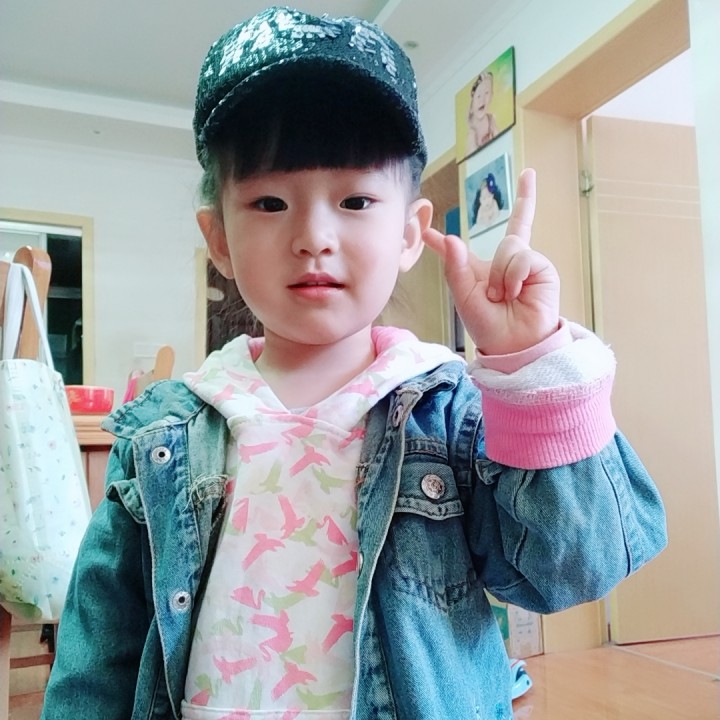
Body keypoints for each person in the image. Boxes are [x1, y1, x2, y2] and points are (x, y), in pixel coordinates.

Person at [41, 7, 666, 720]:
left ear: (409, 234)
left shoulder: (449, 414)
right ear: (218, 240)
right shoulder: (162, 433)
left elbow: (571, 570)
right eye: (269, 202)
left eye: (355, 200)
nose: (314, 236)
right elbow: (97, 656)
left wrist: (532, 362)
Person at [466, 71, 499, 155]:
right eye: (478, 96)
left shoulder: (491, 120)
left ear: (491, 96)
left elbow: (500, 141)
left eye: (487, 93)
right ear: (471, 107)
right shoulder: (472, 133)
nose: (482, 99)